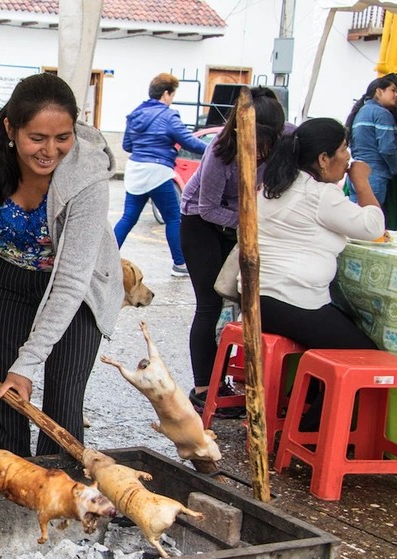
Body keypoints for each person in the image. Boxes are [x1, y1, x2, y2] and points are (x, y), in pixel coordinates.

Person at [0, 73, 123, 457]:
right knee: (3, 399)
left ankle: (60, 505)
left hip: (77, 293)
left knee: (61, 403)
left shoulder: (88, 174)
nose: (50, 151)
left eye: (63, 138)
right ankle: (7, 498)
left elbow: (72, 279)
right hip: (5, 280)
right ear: (10, 127)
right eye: (36, 138)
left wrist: (28, 363)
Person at [179, 87, 287, 417]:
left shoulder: (287, 141)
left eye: (264, 144)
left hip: (237, 226)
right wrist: (250, 220)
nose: (257, 152)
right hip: (200, 222)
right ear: (238, 129)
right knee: (210, 304)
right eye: (251, 140)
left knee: (241, 304)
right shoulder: (220, 152)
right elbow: (207, 207)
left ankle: (231, 380)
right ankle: (203, 390)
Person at [258, 117, 384, 350]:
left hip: (261, 299)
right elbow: (374, 227)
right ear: (324, 159)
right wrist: (361, 181)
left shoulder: (275, 185)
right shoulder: (319, 194)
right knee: (369, 353)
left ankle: (307, 387)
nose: (348, 156)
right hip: (292, 301)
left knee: (345, 324)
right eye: (344, 148)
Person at [115, 73, 208, 276]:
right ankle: (180, 264)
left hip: (136, 170)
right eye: (172, 94)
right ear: (166, 94)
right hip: (158, 171)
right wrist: (214, 149)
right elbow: (189, 142)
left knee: (128, 217)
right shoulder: (168, 116)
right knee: (174, 217)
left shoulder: (135, 115)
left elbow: (127, 145)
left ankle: (106, 258)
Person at [344, 76, 397, 207]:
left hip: (357, 174)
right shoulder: (382, 114)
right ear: (379, 91)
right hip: (375, 175)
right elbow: (387, 148)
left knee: (356, 216)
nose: (396, 95)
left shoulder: (361, 112)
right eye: (393, 90)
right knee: (370, 218)